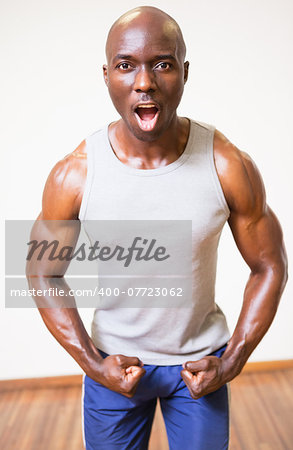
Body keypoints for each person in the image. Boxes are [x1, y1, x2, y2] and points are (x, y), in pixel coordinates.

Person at [26, 6, 288, 450]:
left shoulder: (227, 165)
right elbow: (40, 271)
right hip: (115, 367)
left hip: (199, 368)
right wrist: (92, 362)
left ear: (184, 73)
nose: (144, 82)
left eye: (162, 64)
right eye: (126, 66)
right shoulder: (74, 174)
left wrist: (232, 362)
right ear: (107, 75)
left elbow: (269, 265)